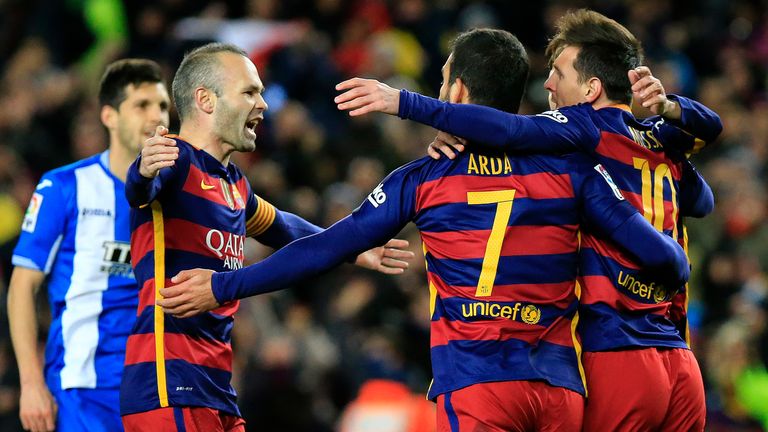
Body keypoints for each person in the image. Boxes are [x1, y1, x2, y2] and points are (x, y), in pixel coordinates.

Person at [156, 29, 691, 432]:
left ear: (455, 91)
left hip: (479, 387)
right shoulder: (574, 169)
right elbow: (664, 255)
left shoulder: (424, 178)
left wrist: (223, 285)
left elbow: (325, 248)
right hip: (561, 389)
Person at [333, 10, 723, 431]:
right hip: (678, 355)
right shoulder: (656, 141)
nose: (549, 84)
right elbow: (703, 199)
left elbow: (510, 131)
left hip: (614, 351)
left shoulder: (579, 129)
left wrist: (409, 104)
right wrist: (671, 110)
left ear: (591, 88)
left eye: (558, 73)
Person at [118, 42, 413, 432]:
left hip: (216, 385)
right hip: (166, 382)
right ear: (206, 100)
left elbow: (286, 228)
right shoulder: (173, 160)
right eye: (249, 92)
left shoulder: (234, 184)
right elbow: (140, 189)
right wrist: (143, 169)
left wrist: (356, 251)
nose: (263, 104)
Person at [7, 59, 171, 432]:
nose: (157, 117)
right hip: (83, 389)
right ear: (109, 116)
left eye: (162, 105)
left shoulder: (180, 197)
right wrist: (31, 384)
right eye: (141, 105)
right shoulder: (64, 187)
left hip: (159, 387)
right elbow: (21, 287)